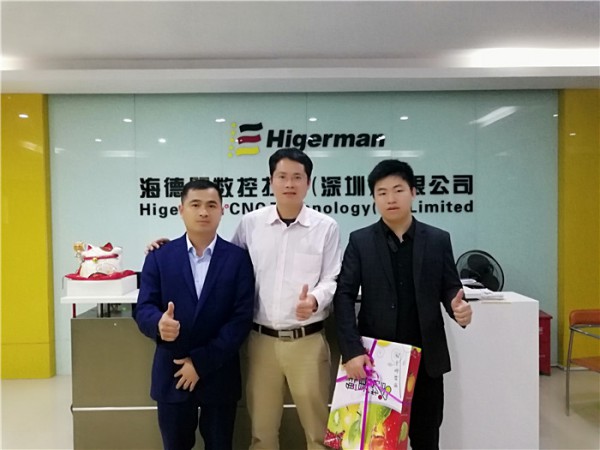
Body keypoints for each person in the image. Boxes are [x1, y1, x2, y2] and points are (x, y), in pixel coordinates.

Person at [333, 159, 472, 450]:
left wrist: (457, 308)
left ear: (413, 192)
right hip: (377, 362)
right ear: (374, 198)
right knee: (377, 442)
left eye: (398, 190)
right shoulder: (360, 241)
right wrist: (352, 350)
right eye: (382, 192)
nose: (390, 199)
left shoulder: (437, 240)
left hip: (426, 361)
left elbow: (450, 286)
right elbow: (343, 295)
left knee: (426, 438)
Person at [231, 148, 341, 450]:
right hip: (260, 341)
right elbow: (226, 265)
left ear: (308, 183)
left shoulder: (325, 227)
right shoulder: (251, 224)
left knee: (318, 432)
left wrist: (314, 300)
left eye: (297, 177)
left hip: (307, 342)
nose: (289, 184)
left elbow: (332, 277)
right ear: (271, 181)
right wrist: (170, 248)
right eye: (282, 176)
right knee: (261, 431)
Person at [134, 179, 255, 450]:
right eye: (195, 205)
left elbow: (241, 318)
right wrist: (158, 324)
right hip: (173, 371)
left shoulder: (238, 259)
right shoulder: (160, 257)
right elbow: (143, 308)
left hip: (219, 372)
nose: (203, 212)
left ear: (222, 210)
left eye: (211, 205)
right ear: (181, 210)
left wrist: (200, 363)